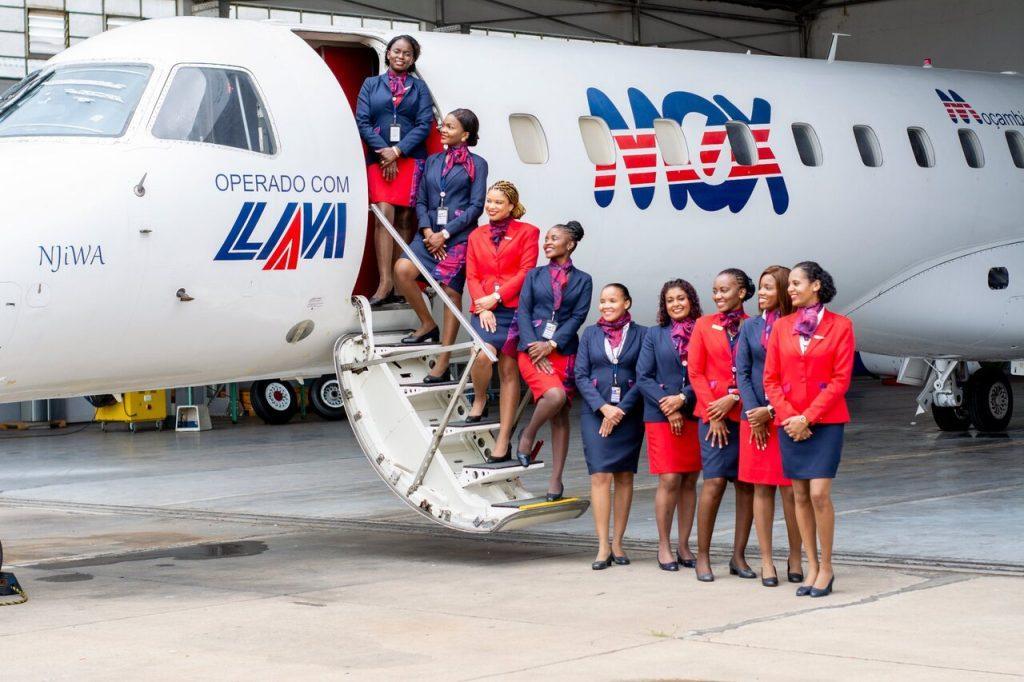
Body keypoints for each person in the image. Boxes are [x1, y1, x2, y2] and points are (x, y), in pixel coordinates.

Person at [764, 261, 854, 598]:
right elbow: (771, 379)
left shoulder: (841, 326)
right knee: (799, 494)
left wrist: (808, 418)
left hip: (825, 422)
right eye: (789, 284)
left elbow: (840, 380)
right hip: (790, 424)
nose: (790, 289)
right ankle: (811, 566)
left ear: (816, 285)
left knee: (818, 494)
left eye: (796, 283)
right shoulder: (781, 326)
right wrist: (791, 417)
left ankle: (827, 566)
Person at [394, 109, 488, 383]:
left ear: (465, 134)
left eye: (449, 126)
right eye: (442, 125)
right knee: (402, 270)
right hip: (428, 234)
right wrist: (427, 231)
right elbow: (421, 200)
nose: (442, 130)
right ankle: (427, 323)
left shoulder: (478, 164)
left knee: (450, 293)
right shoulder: (432, 161)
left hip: (457, 237)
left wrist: (445, 234)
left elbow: (476, 207)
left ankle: (444, 361)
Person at [735, 266, 803, 588]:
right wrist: (754, 413)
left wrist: (772, 411)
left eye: (767, 288)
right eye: (760, 287)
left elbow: (798, 375)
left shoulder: (797, 324)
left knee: (791, 491)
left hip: (786, 416)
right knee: (762, 488)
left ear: (783, 291)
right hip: (754, 419)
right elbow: (742, 372)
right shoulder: (750, 327)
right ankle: (766, 561)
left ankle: (795, 556)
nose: (760, 293)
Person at [355, 35, 434, 307]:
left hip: (410, 157)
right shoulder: (371, 84)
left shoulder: (420, 88)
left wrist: (398, 151)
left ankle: (401, 283)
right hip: (379, 158)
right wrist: (385, 153)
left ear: (413, 59)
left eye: (407, 53)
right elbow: (362, 122)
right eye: (397, 51)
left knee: (405, 218)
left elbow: (424, 124)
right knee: (383, 215)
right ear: (388, 53)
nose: (401, 56)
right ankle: (385, 282)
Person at [688, 268, 756, 582]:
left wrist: (735, 397)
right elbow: (696, 372)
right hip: (712, 416)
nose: (717, 296)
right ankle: (703, 556)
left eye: (724, 290)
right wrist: (713, 412)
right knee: (713, 483)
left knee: (746, 485)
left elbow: (756, 371)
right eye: (715, 290)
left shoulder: (753, 325)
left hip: (744, 416)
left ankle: (738, 556)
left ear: (741, 293)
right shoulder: (703, 325)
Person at [516, 221, 593, 499]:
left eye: (554, 238)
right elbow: (524, 312)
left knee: (561, 416)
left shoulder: (583, 280)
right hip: (531, 349)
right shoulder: (534, 275)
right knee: (555, 396)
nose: (547, 242)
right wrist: (533, 346)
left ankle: (556, 480)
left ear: (569, 244)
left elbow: (578, 316)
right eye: (546, 238)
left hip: (563, 351)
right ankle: (528, 434)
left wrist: (552, 344)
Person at [464, 181, 539, 460]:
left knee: (509, 370)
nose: (491, 207)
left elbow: (526, 272)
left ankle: (503, 440)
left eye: (498, 202)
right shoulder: (476, 235)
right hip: (484, 307)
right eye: (489, 201)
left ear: (511, 206)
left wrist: (496, 298)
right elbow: (472, 275)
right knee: (481, 356)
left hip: (514, 308)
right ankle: (481, 397)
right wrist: (482, 306)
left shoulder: (528, 232)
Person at [575, 284, 646, 570]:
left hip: (629, 413)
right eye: (603, 301)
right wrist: (604, 408)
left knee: (625, 476)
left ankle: (618, 542)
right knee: (600, 476)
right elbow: (580, 375)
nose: (606, 305)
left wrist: (620, 410)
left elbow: (644, 375)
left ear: (626, 302)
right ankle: (603, 545)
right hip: (596, 413)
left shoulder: (642, 334)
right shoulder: (590, 334)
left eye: (612, 300)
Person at [637, 279, 703, 571]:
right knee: (670, 479)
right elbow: (643, 377)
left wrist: (683, 398)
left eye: (681, 298)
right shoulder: (654, 334)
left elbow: (706, 373)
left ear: (691, 300)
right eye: (670, 300)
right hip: (660, 417)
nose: (676, 304)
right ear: (664, 306)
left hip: (693, 414)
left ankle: (684, 545)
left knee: (689, 480)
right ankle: (663, 545)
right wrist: (669, 406)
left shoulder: (702, 331)